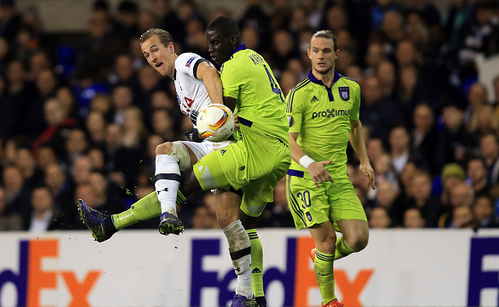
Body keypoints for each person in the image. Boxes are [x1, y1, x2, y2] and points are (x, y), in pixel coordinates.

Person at [78, 19, 290, 306]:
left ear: (171, 48)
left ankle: (134, 220)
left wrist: (219, 112)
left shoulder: (185, 61)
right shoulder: (179, 86)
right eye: (146, 55)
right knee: (232, 221)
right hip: (220, 143)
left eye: (155, 50)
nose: (152, 57)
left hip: (230, 145)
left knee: (177, 172)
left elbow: (210, 73)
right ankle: (251, 295)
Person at [285, 30, 375, 307]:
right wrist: (309, 164)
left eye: (326, 51)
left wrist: (364, 159)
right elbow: (287, 139)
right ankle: (328, 301)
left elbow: (355, 124)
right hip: (304, 179)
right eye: (316, 50)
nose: (321, 56)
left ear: (336, 54)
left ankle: (321, 259)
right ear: (308, 54)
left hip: (338, 178)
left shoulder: (352, 88)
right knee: (325, 240)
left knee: (359, 239)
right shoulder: (298, 94)